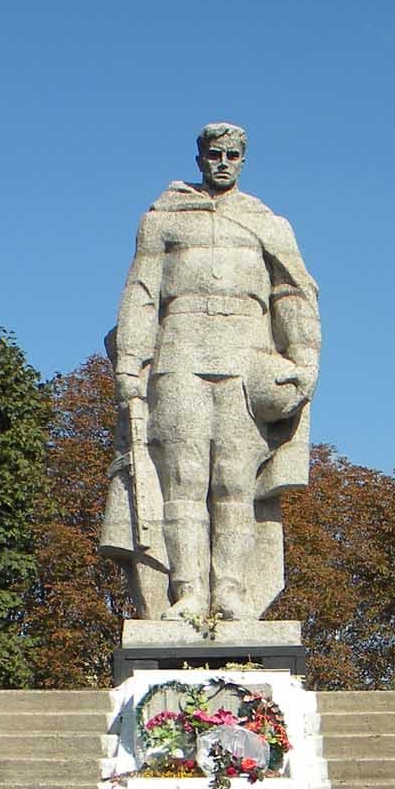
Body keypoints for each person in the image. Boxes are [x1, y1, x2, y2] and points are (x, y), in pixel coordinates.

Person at [98, 122, 321, 622]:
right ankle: (188, 593)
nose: (223, 162)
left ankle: (233, 594)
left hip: (248, 364)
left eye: (233, 155)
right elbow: (142, 294)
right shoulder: (163, 218)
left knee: (235, 482)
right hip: (180, 356)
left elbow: (291, 293)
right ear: (200, 158)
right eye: (214, 154)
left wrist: (304, 358)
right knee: (184, 478)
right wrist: (130, 367)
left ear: (244, 161)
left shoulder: (268, 223)